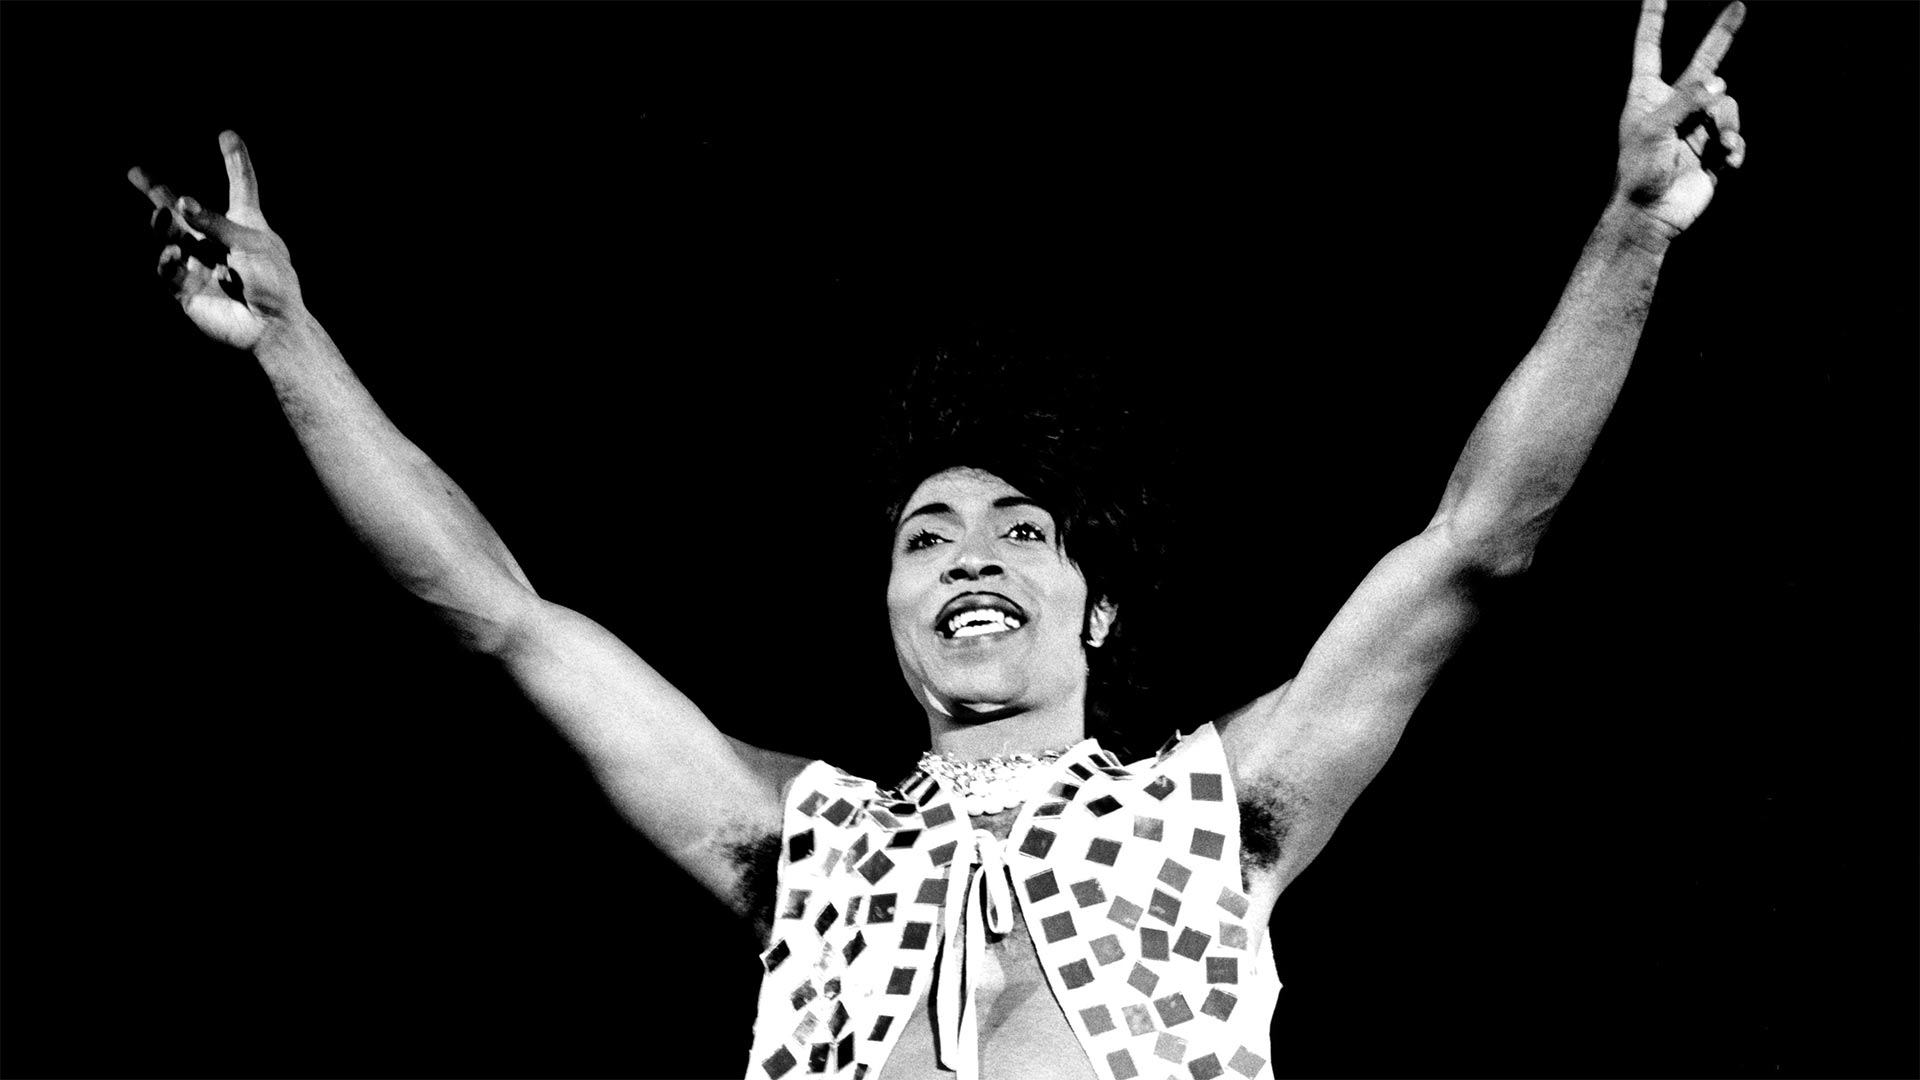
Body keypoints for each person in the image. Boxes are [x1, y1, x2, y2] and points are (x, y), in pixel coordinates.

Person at [126, 2, 1745, 1077]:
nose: (971, 554)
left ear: (1094, 609)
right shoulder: (797, 845)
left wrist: (1626, 235)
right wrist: (290, 344)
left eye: (1023, 531)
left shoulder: (1220, 813)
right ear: (892, 609)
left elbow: (1476, 540)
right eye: (928, 535)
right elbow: (499, 612)